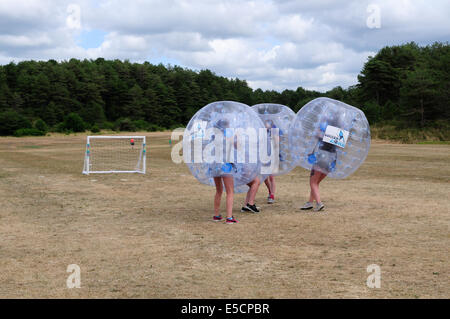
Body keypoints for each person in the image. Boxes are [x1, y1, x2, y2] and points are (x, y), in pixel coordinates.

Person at [301, 112, 339, 212]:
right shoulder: (338, 132)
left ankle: (319, 203)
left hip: (322, 157)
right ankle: (309, 202)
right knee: (316, 183)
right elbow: (339, 146)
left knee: (313, 182)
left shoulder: (323, 129)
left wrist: (320, 128)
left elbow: (316, 136)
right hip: (332, 159)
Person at [211, 119, 239, 224]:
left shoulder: (213, 136)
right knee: (230, 192)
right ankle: (229, 217)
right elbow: (237, 146)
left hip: (214, 164)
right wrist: (236, 135)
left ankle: (217, 215)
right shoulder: (229, 135)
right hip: (226, 165)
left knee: (219, 190)